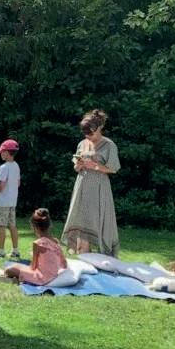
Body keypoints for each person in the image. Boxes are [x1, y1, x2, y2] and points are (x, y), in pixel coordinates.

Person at [61, 109, 121, 256]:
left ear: (99, 128)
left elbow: (113, 168)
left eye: (90, 133)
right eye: (85, 133)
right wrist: (79, 165)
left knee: (97, 220)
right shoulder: (82, 144)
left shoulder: (109, 145)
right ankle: (83, 255)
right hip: (82, 186)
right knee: (81, 223)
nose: (88, 136)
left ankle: (102, 257)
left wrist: (94, 166)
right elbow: (76, 167)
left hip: (99, 188)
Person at [3, 208, 67, 285]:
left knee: (9, 270)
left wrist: (25, 268)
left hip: (41, 278)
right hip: (53, 276)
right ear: (49, 225)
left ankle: (17, 279)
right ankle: (18, 277)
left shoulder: (38, 243)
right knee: (17, 266)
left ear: (35, 227)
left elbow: (33, 267)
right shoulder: (56, 241)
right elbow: (64, 264)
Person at [0, 139, 21, 259]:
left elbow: (0, 187)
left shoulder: (3, 167)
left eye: (2, 152)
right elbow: (18, 183)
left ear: (7, 152)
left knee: (1, 226)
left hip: (2, 202)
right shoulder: (16, 166)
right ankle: (15, 250)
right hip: (12, 202)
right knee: (12, 225)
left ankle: (1, 251)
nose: (1, 154)